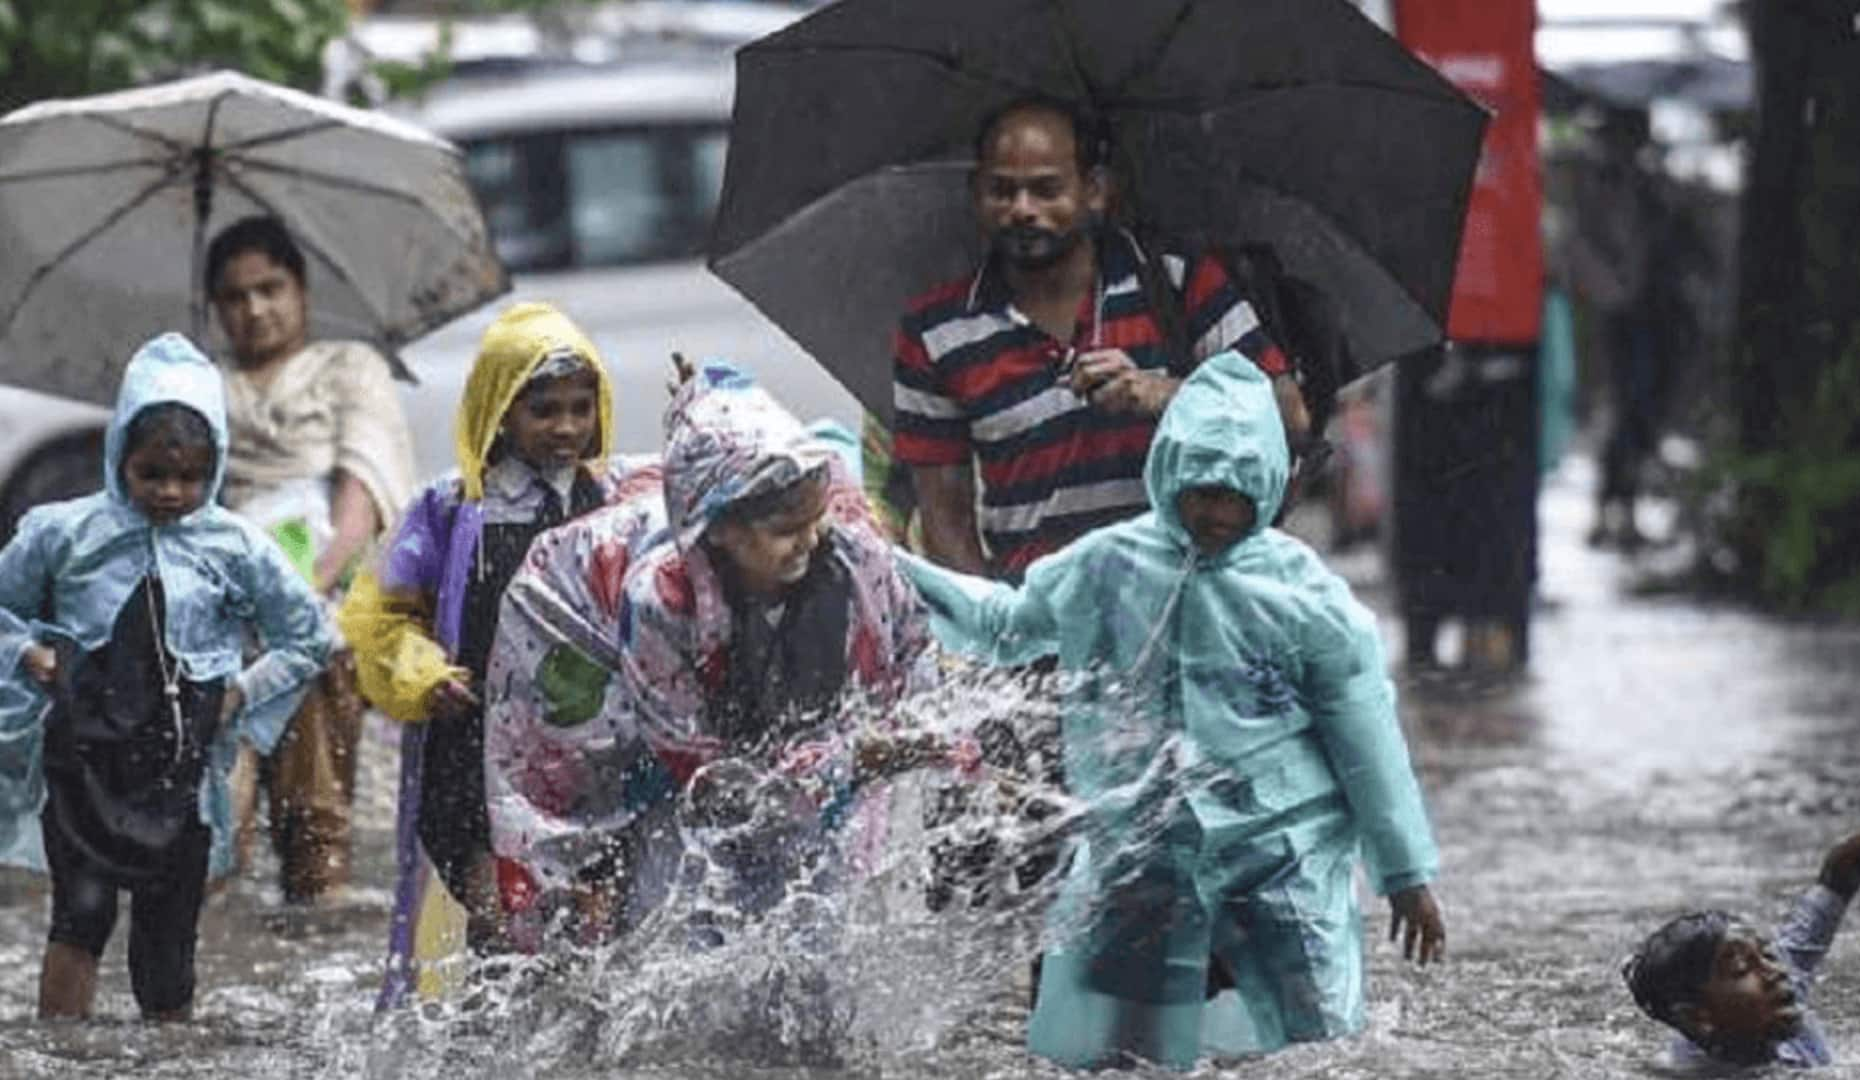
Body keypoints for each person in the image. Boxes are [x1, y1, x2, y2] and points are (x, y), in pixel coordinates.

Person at [893, 351, 1445, 1070]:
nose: (1215, 512)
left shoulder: (1306, 599)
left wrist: (1404, 874)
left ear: (1270, 488)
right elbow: (1004, 624)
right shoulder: (1107, 565)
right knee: (1113, 1053)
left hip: (1275, 857)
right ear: (1168, 473)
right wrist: (891, 567)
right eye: (1200, 491)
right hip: (1143, 858)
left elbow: (1366, 739)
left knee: (1317, 1048)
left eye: (1236, 494)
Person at [485, 360, 950, 953]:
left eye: (814, 522)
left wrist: (923, 740)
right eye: (785, 530)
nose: (808, 542)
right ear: (718, 531)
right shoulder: (658, 599)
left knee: (818, 874)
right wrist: (843, 762)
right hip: (580, 645)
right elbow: (704, 776)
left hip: (740, 675)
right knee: (645, 870)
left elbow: (912, 655)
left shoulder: (851, 553)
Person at [0, 334, 331, 1020]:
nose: (170, 493)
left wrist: (244, 692)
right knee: (80, 916)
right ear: (120, 453)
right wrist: (29, 655)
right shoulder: (62, 533)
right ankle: (63, 1051)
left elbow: (310, 634)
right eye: (152, 474)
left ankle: (169, 1054)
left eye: (189, 477)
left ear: (213, 469)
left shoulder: (236, 547)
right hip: (84, 763)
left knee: (168, 938)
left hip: (181, 768)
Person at [337, 302, 651, 1006]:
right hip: (473, 763)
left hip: (589, 764)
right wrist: (423, 676)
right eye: (544, 410)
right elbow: (380, 620)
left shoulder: (617, 503)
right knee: (504, 937)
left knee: (594, 943)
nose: (566, 427)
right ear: (499, 411)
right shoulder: (448, 514)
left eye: (580, 408)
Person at [892, 96, 1305, 584]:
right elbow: (946, 523)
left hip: (1194, 616)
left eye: (1046, 190)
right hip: (1042, 634)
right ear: (975, 193)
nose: (1022, 209)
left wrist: (1167, 396)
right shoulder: (934, 332)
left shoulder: (1179, 282)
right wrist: (995, 631)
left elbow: (1288, 417)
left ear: (1094, 190)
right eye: (1002, 190)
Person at [204, 214, 416, 904]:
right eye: (235, 297)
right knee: (212, 808)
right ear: (216, 309)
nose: (255, 309)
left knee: (310, 665)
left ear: (301, 290)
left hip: (325, 585)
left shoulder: (347, 368)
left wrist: (306, 589)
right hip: (222, 594)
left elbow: (366, 491)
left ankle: (317, 880)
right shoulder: (204, 387)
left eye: (270, 288)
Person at [1624, 807, 1860, 1070]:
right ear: (1698, 1017)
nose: (1775, 971)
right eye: (1742, 969)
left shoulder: (1773, 995)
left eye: (1765, 954)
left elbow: (1839, 876)